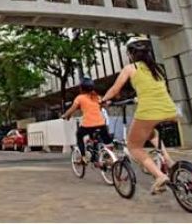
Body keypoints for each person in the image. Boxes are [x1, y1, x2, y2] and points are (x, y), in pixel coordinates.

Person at [100, 35, 177, 194]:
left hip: (149, 111)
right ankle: (169, 161)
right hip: (169, 109)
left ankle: (159, 175)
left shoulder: (131, 68)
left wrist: (103, 101)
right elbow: (154, 89)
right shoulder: (158, 68)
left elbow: (115, 90)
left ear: (130, 53)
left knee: (134, 146)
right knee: (151, 133)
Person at [61, 77, 112, 166]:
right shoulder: (97, 97)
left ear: (81, 88)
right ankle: (106, 156)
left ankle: (83, 157)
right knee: (106, 141)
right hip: (101, 124)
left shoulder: (79, 98)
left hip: (88, 125)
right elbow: (102, 106)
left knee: (79, 135)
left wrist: (65, 115)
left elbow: (72, 109)